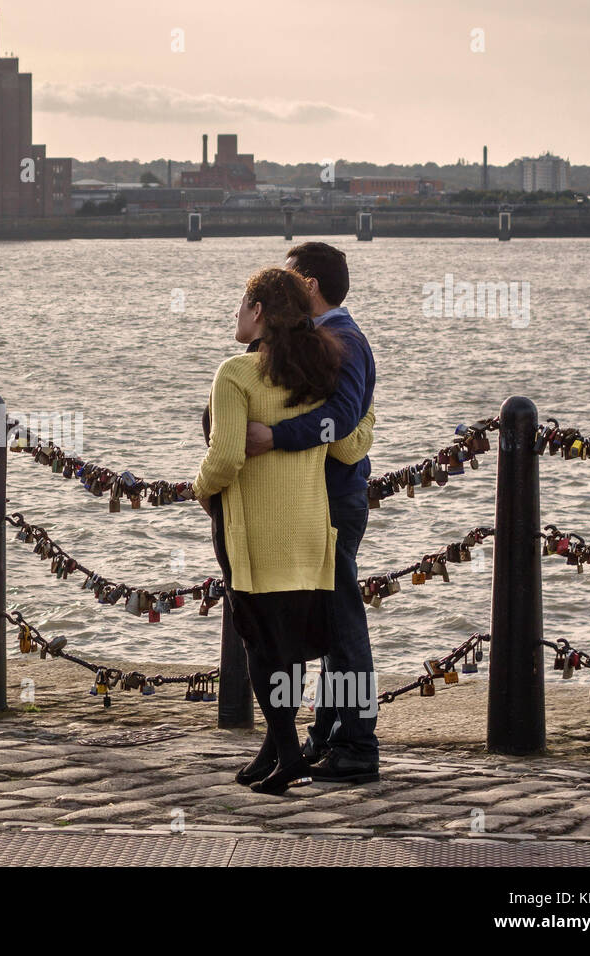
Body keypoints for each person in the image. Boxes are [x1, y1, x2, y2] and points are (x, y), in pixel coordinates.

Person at [193, 267, 373, 794]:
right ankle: (277, 751)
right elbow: (344, 444)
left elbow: (225, 457)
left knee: (260, 643)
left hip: (253, 528)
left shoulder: (235, 374)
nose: (234, 313)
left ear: (259, 313)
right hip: (309, 526)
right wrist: (368, 420)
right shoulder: (319, 373)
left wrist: (201, 490)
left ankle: (292, 754)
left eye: (241, 304)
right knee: (290, 642)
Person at [245, 242, 379, 783]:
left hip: (334, 502)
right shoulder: (324, 339)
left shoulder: (344, 340)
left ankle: (358, 746)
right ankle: (327, 737)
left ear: (309, 283)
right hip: (317, 500)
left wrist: (275, 437)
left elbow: (343, 420)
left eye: (289, 275)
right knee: (326, 625)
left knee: (343, 627)